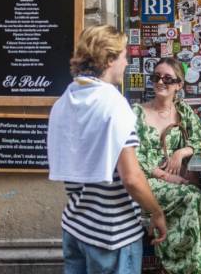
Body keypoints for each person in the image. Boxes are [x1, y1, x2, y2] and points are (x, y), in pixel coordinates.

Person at [48, 24, 168, 274]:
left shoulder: (64, 101)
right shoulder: (114, 105)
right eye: (124, 56)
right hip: (112, 234)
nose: (126, 63)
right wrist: (156, 212)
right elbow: (132, 178)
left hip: (75, 226)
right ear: (110, 58)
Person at [132, 58, 201, 274]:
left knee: (191, 199)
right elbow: (134, 157)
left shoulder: (182, 110)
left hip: (177, 184)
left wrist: (181, 152)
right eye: (156, 77)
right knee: (191, 196)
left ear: (179, 85)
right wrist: (167, 177)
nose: (160, 82)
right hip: (144, 182)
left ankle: (182, 266)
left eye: (167, 78)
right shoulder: (137, 112)